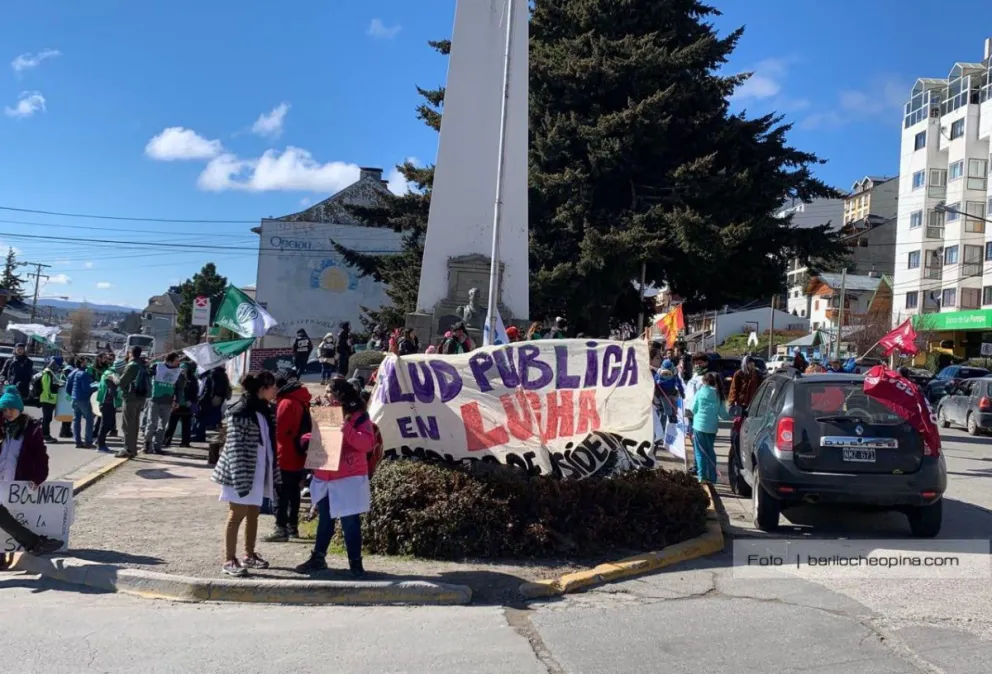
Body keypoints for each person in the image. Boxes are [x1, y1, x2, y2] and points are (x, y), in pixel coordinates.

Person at [295, 377, 374, 578]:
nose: (325, 395)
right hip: (326, 475)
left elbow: (366, 444)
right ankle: (318, 558)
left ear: (339, 394)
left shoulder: (358, 416)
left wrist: (345, 427)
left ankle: (356, 564)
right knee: (325, 520)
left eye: (329, 391)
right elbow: (318, 435)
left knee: (350, 521)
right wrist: (307, 441)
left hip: (348, 477)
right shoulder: (326, 413)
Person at [211, 371, 280, 577]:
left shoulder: (265, 410)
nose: (275, 390)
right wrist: (240, 477)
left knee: (253, 513)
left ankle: (249, 554)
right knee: (236, 514)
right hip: (240, 470)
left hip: (258, 468)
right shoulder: (240, 411)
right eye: (272, 386)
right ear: (261, 389)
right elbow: (233, 448)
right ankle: (229, 559)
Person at [0, 386, 64, 557]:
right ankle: (34, 544)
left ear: (20, 408)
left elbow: (40, 456)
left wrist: (38, 477)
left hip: (17, 478)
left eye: (11, 408)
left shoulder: (31, 429)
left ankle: (31, 544)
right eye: (4, 409)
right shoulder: (1, 427)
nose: (8, 413)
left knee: (11, 516)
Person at [265, 370, 312, 542]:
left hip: (285, 454)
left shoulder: (286, 402)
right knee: (294, 492)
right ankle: (293, 526)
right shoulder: (301, 400)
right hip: (298, 454)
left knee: (281, 492)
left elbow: (281, 433)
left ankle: (280, 527)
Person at [691, 372, 732, 484]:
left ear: (704, 381)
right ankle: (712, 477)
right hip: (712, 428)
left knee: (700, 452)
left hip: (699, 426)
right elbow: (723, 414)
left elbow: (693, 408)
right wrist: (734, 415)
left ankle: (702, 477)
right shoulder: (719, 395)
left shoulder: (700, 391)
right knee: (710, 451)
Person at [144, 352, 185, 455]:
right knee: (151, 424)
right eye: (176, 360)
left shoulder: (178, 372)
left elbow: (179, 389)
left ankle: (158, 446)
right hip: (155, 400)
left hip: (168, 402)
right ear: (169, 360)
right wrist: (148, 364)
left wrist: (178, 401)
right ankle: (147, 444)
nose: (178, 362)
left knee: (163, 426)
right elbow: (146, 372)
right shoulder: (158, 366)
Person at [116, 346, 150, 459]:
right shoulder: (142, 365)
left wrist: (113, 378)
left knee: (127, 425)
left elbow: (122, 382)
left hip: (130, 397)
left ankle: (128, 449)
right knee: (134, 424)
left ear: (131, 353)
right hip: (140, 397)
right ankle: (133, 448)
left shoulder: (132, 366)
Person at [164, 361, 199, 448]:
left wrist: (191, 401)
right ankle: (166, 441)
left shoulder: (192, 379)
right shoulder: (175, 377)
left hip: (187, 405)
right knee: (171, 424)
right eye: (181, 368)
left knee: (186, 425)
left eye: (184, 368)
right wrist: (173, 400)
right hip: (176, 404)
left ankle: (185, 442)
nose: (182, 369)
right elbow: (171, 389)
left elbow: (195, 391)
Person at [65, 357, 95, 449]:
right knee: (89, 420)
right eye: (85, 362)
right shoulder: (83, 374)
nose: (87, 364)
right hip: (83, 399)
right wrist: (95, 387)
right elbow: (87, 389)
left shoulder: (72, 373)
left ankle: (77, 441)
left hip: (74, 399)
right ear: (81, 363)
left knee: (76, 421)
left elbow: (67, 388)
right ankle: (88, 441)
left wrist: (73, 395)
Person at [95, 365, 122, 453]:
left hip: (108, 403)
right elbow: (115, 385)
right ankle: (100, 444)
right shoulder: (110, 374)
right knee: (105, 424)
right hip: (107, 403)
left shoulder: (109, 372)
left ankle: (99, 441)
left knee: (108, 424)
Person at [39, 357, 61, 443]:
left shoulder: (51, 372)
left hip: (49, 399)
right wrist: (49, 396)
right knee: (47, 418)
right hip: (47, 399)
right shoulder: (47, 373)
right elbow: (46, 387)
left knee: (47, 418)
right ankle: (45, 435)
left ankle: (44, 434)